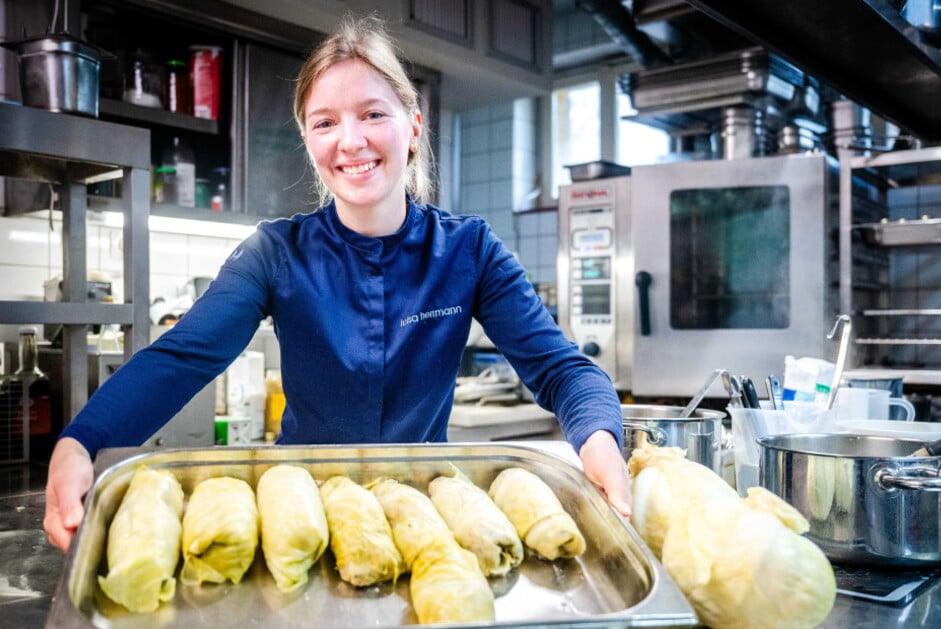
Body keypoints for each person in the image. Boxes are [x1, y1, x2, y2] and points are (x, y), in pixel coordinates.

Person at [43, 13, 632, 552]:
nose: (351, 141)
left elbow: (562, 369)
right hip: (299, 514)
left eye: (374, 114)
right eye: (326, 122)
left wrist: (599, 437)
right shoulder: (273, 253)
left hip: (428, 515)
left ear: (413, 127)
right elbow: (182, 357)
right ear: (308, 139)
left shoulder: (470, 250)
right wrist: (82, 441)